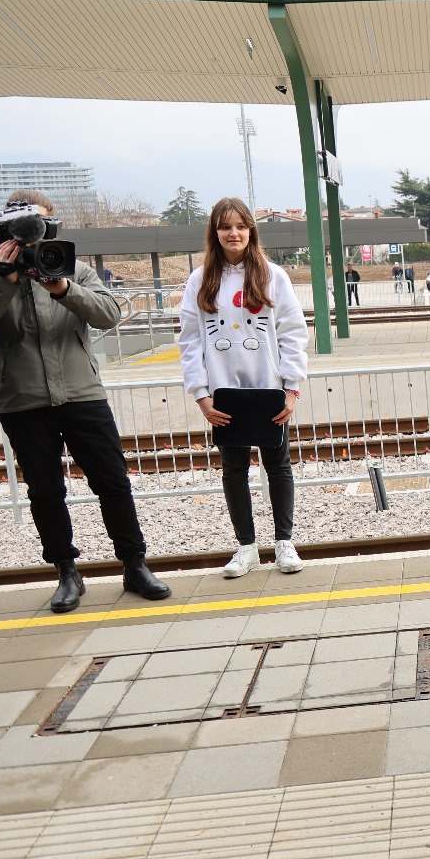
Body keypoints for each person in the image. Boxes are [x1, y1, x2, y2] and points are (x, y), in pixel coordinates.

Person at [0, 189, 171, 612]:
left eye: (41, 226)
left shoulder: (73, 268)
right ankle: (67, 573)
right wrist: (2, 279)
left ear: (54, 226)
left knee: (113, 482)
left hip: (81, 392)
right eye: (22, 229)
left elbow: (108, 315)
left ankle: (135, 564)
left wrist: (65, 287)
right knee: (45, 492)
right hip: (21, 399)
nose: (32, 238)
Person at [179, 197, 310, 578]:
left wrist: (291, 387)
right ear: (214, 233)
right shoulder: (201, 279)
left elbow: (293, 334)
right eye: (225, 227)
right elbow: (189, 342)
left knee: (278, 465)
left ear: (251, 230)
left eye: (240, 225)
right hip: (224, 394)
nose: (233, 233)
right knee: (233, 471)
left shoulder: (272, 275)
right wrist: (201, 394)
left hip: (269, 389)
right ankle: (247, 547)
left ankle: (284, 543)